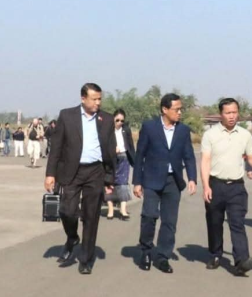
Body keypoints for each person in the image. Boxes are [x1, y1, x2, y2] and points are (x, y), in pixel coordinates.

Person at [45, 83, 117, 275]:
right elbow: (56, 147)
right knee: (66, 210)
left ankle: (86, 259)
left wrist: (109, 179)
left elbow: (110, 151)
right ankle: (72, 237)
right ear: (83, 98)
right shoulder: (67, 116)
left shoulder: (106, 119)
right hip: (72, 171)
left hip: (95, 171)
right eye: (94, 99)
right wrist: (50, 174)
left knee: (91, 216)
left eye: (100, 99)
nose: (98, 103)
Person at [201, 98, 252, 276]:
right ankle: (215, 254)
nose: (232, 116)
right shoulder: (210, 135)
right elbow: (205, 161)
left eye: (234, 112)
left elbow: (251, 158)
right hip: (216, 184)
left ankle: (241, 260)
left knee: (237, 223)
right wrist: (206, 186)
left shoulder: (245, 134)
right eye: (228, 113)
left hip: (236, 187)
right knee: (214, 222)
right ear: (221, 114)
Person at [133, 94, 197, 274]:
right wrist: (137, 182)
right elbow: (140, 155)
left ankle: (163, 257)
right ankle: (146, 251)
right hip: (151, 179)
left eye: (181, 109)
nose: (180, 112)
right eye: (177, 109)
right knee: (149, 216)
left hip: (173, 181)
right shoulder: (149, 127)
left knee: (169, 221)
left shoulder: (183, 130)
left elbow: (189, 156)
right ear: (164, 109)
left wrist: (192, 178)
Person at [104, 109, 135, 221]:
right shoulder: (107, 130)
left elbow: (130, 145)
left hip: (124, 157)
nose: (119, 122)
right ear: (113, 119)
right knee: (109, 182)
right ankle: (110, 209)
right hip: (110, 159)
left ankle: (123, 209)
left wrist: (134, 160)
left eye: (122, 121)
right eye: (117, 120)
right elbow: (103, 145)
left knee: (123, 183)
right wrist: (112, 150)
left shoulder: (126, 130)